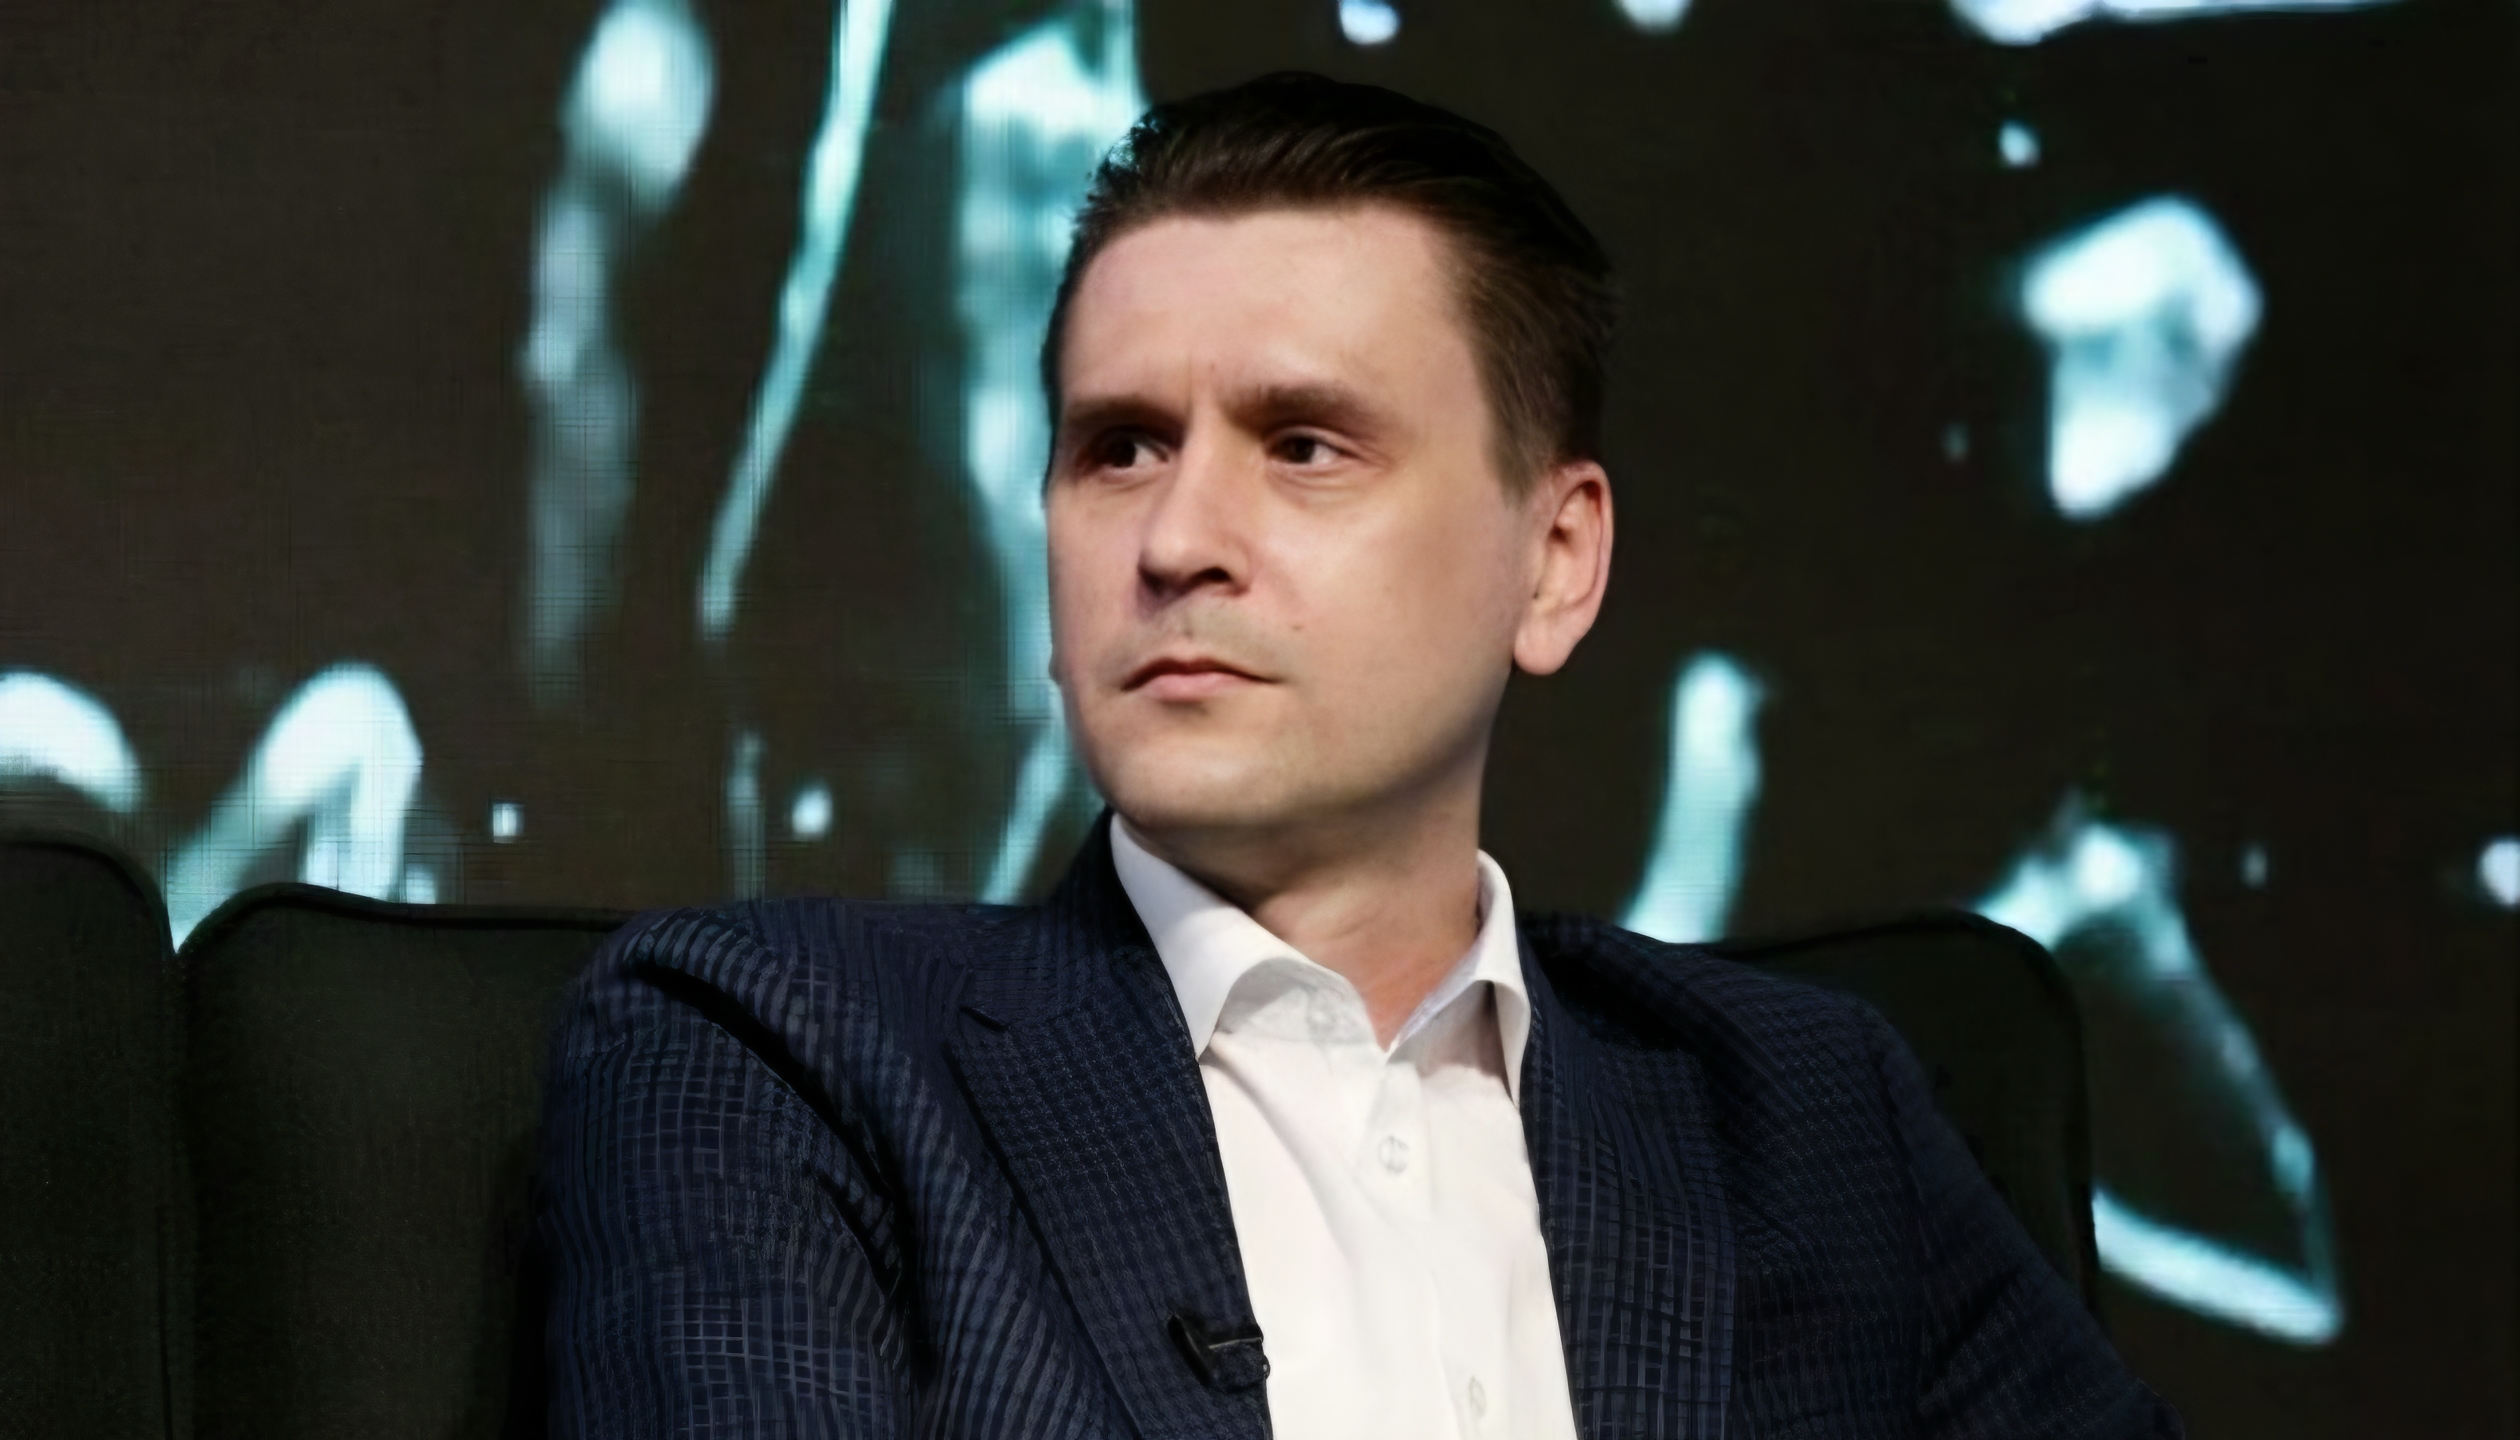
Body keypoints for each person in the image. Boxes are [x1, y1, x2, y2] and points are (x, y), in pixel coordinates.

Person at [538, 71, 2180, 1439]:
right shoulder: (777, 1055)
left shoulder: (1811, 1115)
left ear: (1555, 561)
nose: (1176, 538)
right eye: (1120, 449)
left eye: (1305, 445)